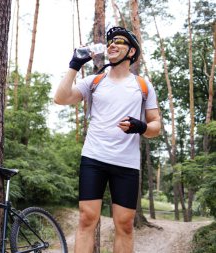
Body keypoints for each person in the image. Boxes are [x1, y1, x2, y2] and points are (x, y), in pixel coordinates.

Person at [54, 26, 161, 253]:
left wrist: (140, 126)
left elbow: (155, 126)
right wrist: (74, 65)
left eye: (119, 42)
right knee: (86, 219)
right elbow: (61, 98)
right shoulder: (95, 81)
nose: (112, 44)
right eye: (110, 41)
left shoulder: (142, 86)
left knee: (124, 225)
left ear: (131, 52)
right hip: (94, 157)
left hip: (126, 163)